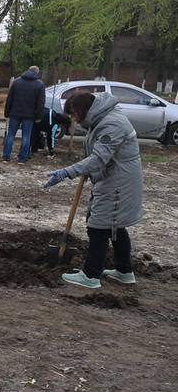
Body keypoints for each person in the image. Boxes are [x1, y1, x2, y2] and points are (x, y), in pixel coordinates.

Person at [43, 92, 142, 288]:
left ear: (83, 110)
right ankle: (124, 271)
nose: (73, 119)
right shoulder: (101, 118)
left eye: (74, 114)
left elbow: (98, 158)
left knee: (98, 225)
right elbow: (99, 155)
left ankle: (90, 275)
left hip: (118, 181)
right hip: (113, 176)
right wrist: (89, 171)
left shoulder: (110, 123)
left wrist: (67, 172)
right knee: (115, 224)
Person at [2, 65, 45, 163]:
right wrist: (39, 116)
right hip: (29, 115)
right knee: (26, 136)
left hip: (14, 112)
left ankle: (6, 156)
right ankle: (21, 158)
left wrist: (7, 112)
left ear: (28, 70)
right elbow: (40, 102)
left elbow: (10, 98)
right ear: (37, 73)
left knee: (11, 134)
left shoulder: (16, 82)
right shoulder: (40, 84)